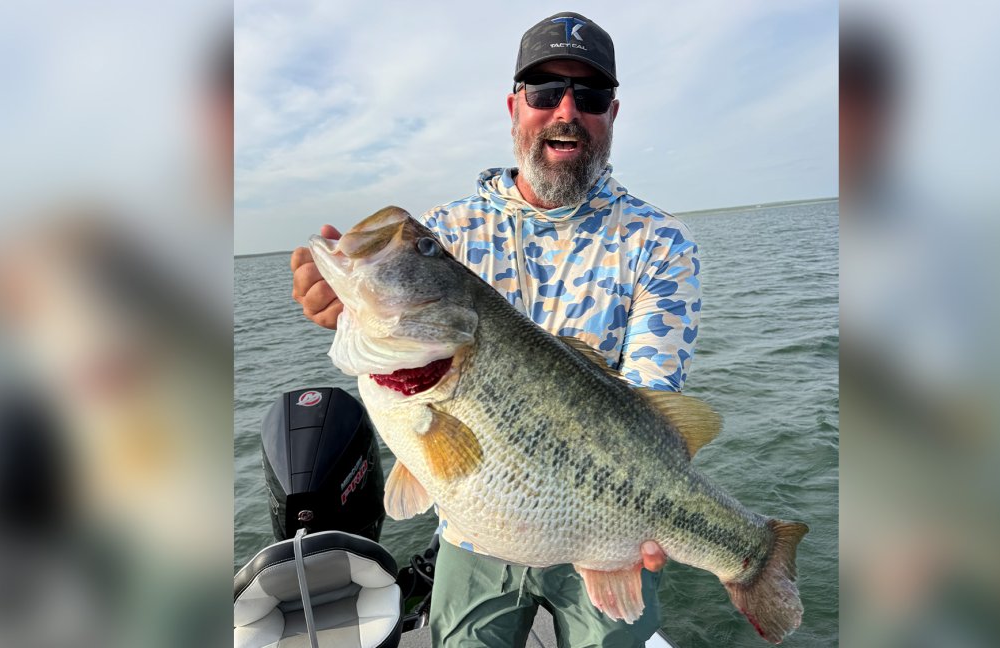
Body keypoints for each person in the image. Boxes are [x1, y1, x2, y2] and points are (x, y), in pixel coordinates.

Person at [292, 12, 701, 647]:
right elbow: (395, 332)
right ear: (514, 108)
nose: (567, 110)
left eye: (590, 95)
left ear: (613, 114)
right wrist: (341, 307)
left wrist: (654, 508)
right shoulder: (446, 231)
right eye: (545, 91)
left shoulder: (660, 242)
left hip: (603, 524)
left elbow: (652, 403)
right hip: (473, 529)